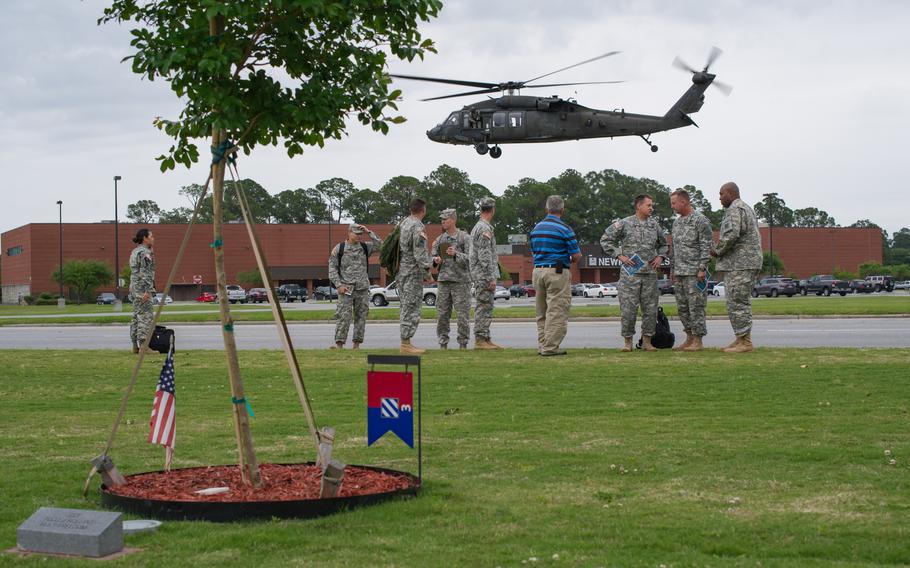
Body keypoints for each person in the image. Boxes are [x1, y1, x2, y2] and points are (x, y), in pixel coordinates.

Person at [600, 194, 669, 352]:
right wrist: (619, 255)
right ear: (639, 206)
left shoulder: (655, 225)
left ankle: (647, 342)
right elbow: (605, 239)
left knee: (650, 309)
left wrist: (660, 256)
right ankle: (627, 342)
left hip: (649, 274)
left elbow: (664, 245)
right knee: (628, 309)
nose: (651, 208)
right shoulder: (624, 223)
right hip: (630, 275)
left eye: (652, 205)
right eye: (648, 205)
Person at [711, 181, 763, 352]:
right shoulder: (744, 208)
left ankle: (745, 343)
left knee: (738, 301)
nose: (719, 198)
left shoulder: (735, 209)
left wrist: (717, 251)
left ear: (731, 194)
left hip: (741, 264)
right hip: (741, 263)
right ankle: (740, 338)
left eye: (721, 194)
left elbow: (732, 234)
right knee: (735, 300)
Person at [530, 195, 581, 356]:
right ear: (562, 210)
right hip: (557, 271)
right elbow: (577, 255)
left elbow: (533, 250)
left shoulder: (536, 228)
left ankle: (542, 344)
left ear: (547, 209)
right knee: (557, 310)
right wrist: (569, 260)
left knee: (542, 311)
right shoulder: (565, 229)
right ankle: (550, 347)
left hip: (538, 270)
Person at [669, 188, 713, 351]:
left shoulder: (700, 220)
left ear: (684, 201)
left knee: (696, 307)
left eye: (674, 203)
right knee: (683, 307)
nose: (672, 207)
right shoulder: (677, 222)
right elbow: (674, 248)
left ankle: (698, 340)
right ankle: (689, 337)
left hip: (695, 273)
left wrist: (702, 268)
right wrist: (672, 270)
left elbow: (706, 246)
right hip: (680, 272)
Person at [327, 223, 383, 349]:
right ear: (349, 232)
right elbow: (332, 269)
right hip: (346, 289)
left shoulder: (364, 247)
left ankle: (356, 344)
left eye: (360, 234)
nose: (358, 236)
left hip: (362, 289)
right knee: (343, 317)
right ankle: (339, 344)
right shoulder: (339, 248)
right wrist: (338, 285)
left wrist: (369, 232)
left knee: (361, 317)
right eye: (356, 233)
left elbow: (381, 246)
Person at [432, 209, 472, 349]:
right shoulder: (440, 239)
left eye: (445, 219)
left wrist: (456, 254)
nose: (442, 221)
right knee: (442, 314)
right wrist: (435, 260)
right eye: (441, 219)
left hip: (461, 282)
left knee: (462, 315)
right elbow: (432, 258)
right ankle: (443, 343)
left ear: (453, 220)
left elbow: (471, 259)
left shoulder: (464, 237)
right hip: (444, 281)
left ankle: (463, 343)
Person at [398, 198, 433, 355]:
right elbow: (419, 253)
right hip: (412, 273)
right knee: (411, 307)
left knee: (406, 306)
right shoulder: (418, 226)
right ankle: (406, 344)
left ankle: (406, 342)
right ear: (423, 210)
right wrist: (427, 274)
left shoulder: (403, 223)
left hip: (403, 272)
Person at [469, 197, 503, 350]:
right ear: (493, 210)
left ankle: (485, 338)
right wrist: (491, 277)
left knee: (486, 306)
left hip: (480, 273)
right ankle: (481, 339)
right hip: (483, 275)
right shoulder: (484, 228)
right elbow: (484, 255)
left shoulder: (479, 226)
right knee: (484, 306)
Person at [129, 228, 156, 354]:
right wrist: (147, 290)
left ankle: (135, 345)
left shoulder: (135, 251)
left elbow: (133, 272)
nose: (153, 238)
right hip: (142, 289)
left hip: (134, 288)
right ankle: (144, 346)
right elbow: (146, 273)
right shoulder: (145, 253)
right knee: (145, 316)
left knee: (136, 316)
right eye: (151, 236)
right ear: (145, 238)